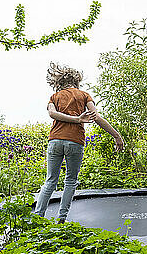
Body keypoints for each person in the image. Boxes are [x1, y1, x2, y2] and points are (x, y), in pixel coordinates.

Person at [34, 62, 124, 223]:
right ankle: (61, 219)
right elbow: (96, 117)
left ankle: (37, 217)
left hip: (55, 140)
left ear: (58, 82)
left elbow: (52, 114)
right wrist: (116, 135)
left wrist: (74, 119)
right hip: (75, 141)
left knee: (50, 180)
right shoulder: (84, 95)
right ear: (77, 81)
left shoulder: (54, 97)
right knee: (70, 180)